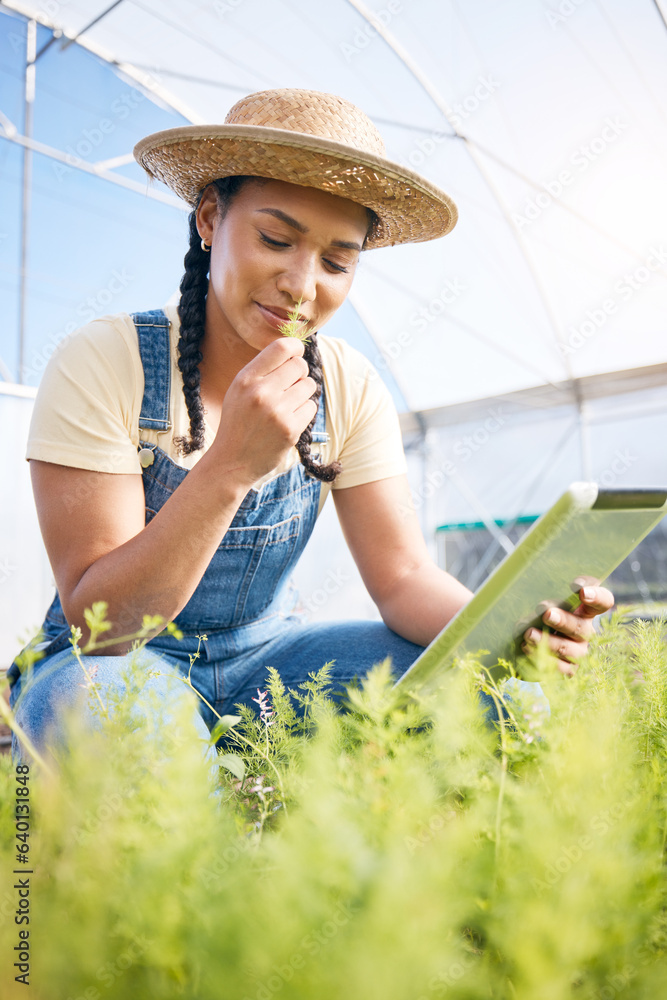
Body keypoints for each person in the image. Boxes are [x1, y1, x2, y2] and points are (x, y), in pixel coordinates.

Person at [8, 88, 613, 762]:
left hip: (267, 660)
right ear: (209, 217)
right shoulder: (107, 359)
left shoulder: (347, 384)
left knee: (501, 691)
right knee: (107, 713)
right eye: (276, 238)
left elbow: (405, 576)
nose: (302, 284)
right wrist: (232, 465)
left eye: (336, 261)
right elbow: (105, 629)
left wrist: (510, 629)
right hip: (108, 662)